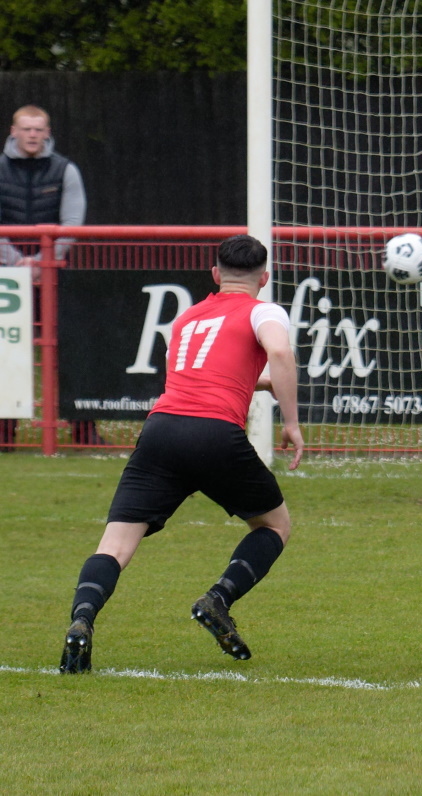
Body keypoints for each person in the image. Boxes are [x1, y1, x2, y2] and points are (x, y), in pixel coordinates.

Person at [59, 234, 304, 674]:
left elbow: (202, 373)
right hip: (215, 434)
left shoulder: (188, 318)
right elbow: (280, 351)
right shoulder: (263, 310)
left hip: (162, 430)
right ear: (264, 278)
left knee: (115, 544)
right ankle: (218, 598)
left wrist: (261, 382)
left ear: (215, 274)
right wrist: (291, 422)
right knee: (275, 525)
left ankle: (82, 620)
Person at [0, 104, 97, 449]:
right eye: (26, 129)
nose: (32, 135)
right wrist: (17, 262)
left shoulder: (65, 169)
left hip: (55, 276)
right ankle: (4, 435)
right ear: (13, 131)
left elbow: (71, 224)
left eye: (38, 129)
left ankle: (84, 432)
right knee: (6, 351)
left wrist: (43, 262)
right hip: (5, 276)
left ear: (47, 133)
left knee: (71, 348)